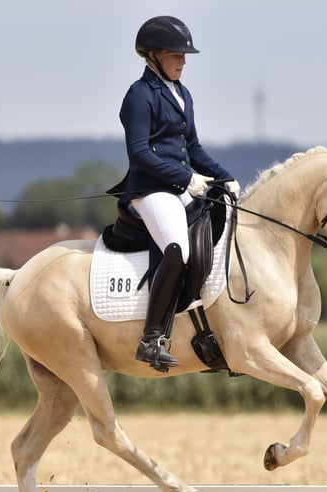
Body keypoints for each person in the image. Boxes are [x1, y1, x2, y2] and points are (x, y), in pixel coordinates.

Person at [111, 15, 241, 372]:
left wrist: (223, 177)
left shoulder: (182, 93)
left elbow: (194, 147)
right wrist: (185, 177)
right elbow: (139, 152)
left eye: (185, 55)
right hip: (151, 190)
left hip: (181, 185)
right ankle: (151, 340)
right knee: (177, 249)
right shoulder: (139, 95)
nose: (183, 61)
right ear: (152, 56)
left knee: (222, 229)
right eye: (175, 54)